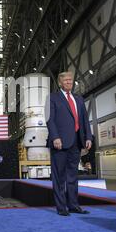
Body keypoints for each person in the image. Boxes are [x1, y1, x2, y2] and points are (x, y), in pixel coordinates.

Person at [46, 72, 93, 216]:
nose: (68, 82)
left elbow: (85, 120)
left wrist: (88, 137)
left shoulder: (78, 99)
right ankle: (61, 208)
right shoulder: (52, 98)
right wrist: (55, 137)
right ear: (60, 83)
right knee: (59, 177)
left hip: (76, 143)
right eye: (65, 80)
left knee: (72, 177)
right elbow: (50, 119)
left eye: (70, 80)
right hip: (59, 142)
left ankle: (73, 205)